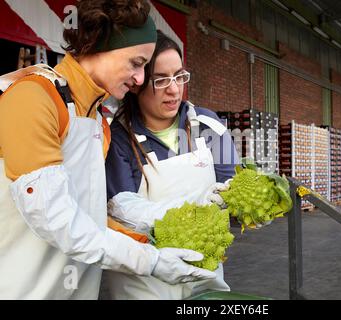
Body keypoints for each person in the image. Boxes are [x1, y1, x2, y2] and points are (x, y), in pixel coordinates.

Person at [0, 0, 215, 300]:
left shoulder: (96, 122)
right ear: (97, 44)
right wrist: (149, 261)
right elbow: (57, 219)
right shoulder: (33, 100)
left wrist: (155, 242)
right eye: (136, 63)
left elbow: (92, 218)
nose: (140, 79)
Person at [104, 30, 240, 299]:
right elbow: (119, 210)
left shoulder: (208, 125)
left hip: (205, 277)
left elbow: (232, 188)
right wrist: (194, 217)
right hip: (144, 283)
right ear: (138, 82)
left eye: (179, 75)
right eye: (161, 79)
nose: (174, 89)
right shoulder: (118, 139)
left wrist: (246, 204)